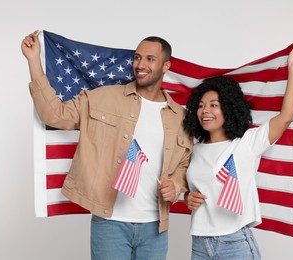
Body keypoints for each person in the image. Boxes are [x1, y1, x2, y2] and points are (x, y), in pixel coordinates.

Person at [21, 31, 193, 260]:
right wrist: (34, 60)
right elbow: (55, 115)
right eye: (137, 57)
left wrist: (176, 185)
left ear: (166, 66)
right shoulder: (103, 97)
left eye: (150, 59)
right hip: (110, 224)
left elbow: (183, 164)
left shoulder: (179, 116)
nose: (140, 64)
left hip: (155, 228)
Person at [182, 42, 293, 260]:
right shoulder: (195, 149)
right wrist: (186, 197)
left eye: (214, 105)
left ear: (229, 108)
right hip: (200, 243)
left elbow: (286, 116)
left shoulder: (247, 142)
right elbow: (189, 188)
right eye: (201, 105)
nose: (205, 111)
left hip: (235, 243)